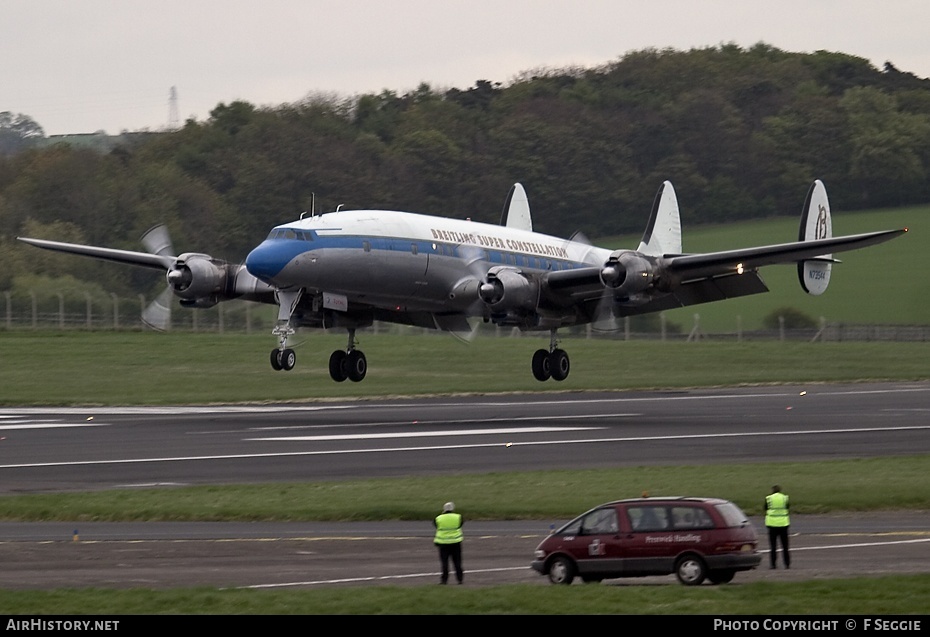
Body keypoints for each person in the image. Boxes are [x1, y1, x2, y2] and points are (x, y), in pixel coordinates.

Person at [433, 501, 464, 584]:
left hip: (443, 543)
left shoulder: (438, 518)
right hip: (456, 542)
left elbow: (436, 525)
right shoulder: (458, 517)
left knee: (444, 563)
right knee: (457, 562)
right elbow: (460, 525)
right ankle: (460, 579)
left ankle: (444, 580)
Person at [765, 485, 791, 569]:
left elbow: (765, 508)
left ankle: (773, 564)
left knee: (773, 547)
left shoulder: (769, 498)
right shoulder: (784, 498)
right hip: (783, 524)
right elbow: (787, 507)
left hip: (772, 524)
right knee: (785, 546)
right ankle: (787, 564)